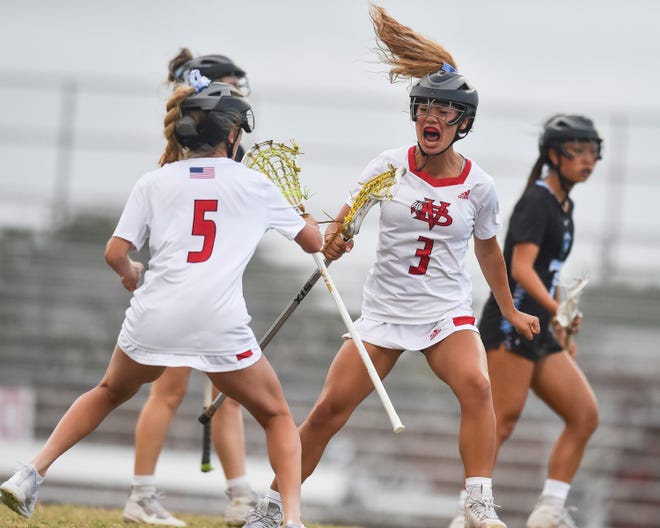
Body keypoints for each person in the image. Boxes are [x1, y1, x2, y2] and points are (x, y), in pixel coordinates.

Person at [242, 5, 540, 528]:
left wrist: (511, 311)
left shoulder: (480, 186)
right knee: (329, 410)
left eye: (445, 111)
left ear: (463, 123)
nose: (432, 117)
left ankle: (477, 501)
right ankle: (271, 507)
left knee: (478, 385)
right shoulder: (388, 166)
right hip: (383, 314)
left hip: (445, 313)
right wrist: (334, 243)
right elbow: (341, 228)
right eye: (424, 107)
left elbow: (489, 251)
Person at [0, 76, 321, 528]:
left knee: (109, 391)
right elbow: (313, 242)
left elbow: (116, 253)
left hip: (156, 316)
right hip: (218, 322)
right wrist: (304, 214)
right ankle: (291, 521)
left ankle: (31, 474)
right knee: (275, 415)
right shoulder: (256, 185)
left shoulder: (154, 181)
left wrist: (131, 273)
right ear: (231, 135)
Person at [121, 48, 260, 528]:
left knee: (227, 393)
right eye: (231, 90)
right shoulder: (180, 158)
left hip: (216, 294)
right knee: (170, 389)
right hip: (182, 295)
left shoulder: (228, 151)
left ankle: (240, 495)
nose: (239, 99)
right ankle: (142, 493)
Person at [449, 115, 602, 528]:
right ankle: (468, 513)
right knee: (502, 420)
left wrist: (559, 320)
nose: (588, 159)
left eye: (593, 151)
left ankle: (548, 511)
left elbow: (545, 276)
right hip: (511, 324)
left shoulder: (562, 204)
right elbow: (521, 269)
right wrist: (559, 312)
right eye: (578, 150)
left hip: (541, 327)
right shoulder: (538, 201)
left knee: (584, 414)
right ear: (553, 155)